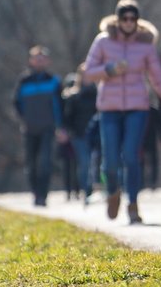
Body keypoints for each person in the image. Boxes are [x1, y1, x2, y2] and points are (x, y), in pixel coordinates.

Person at [83, 0, 161, 224]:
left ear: (137, 21)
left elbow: (157, 78)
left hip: (137, 108)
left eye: (133, 19)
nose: (129, 22)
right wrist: (109, 69)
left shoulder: (145, 46)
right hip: (109, 109)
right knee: (110, 163)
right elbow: (88, 72)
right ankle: (113, 191)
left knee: (131, 156)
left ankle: (133, 203)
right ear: (118, 20)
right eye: (124, 18)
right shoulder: (103, 42)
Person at [13, 45, 64, 207]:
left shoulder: (54, 81)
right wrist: (24, 120)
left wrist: (60, 126)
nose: (39, 62)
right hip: (29, 128)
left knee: (45, 162)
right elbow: (16, 103)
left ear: (47, 61)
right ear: (31, 61)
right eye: (37, 58)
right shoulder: (23, 81)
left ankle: (43, 195)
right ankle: (35, 193)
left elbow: (60, 106)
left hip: (48, 128)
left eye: (42, 59)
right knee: (31, 163)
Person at [62, 64, 98, 205]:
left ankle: (99, 189)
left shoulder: (98, 94)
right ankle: (86, 190)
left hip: (95, 135)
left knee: (96, 163)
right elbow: (68, 117)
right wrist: (67, 131)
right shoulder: (73, 96)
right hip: (79, 135)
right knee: (84, 163)